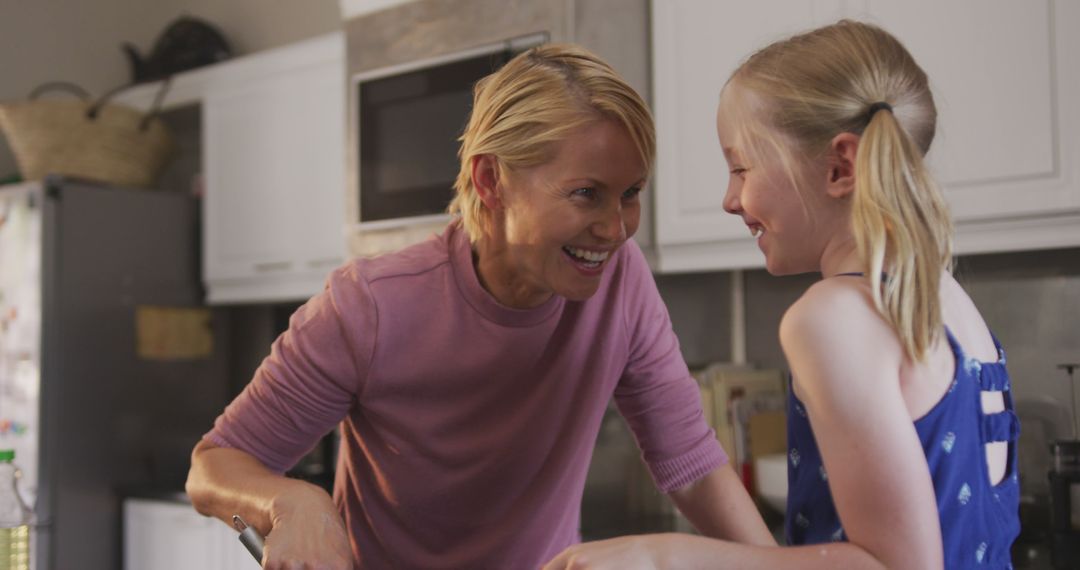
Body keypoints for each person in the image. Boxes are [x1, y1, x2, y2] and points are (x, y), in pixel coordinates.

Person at [185, 43, 774, 569]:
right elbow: (214, 467)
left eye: (632, 194)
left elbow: (690, 462)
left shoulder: (622, 283)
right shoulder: (369, 307)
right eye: (586, 193)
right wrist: (290, 502)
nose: (616, 228)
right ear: (490, 180)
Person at [543, 20, 1020, 570]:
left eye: (741, 167)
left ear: (839, 167)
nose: (729, 199)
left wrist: (661, 555)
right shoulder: (945, 298)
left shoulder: (831, 319)